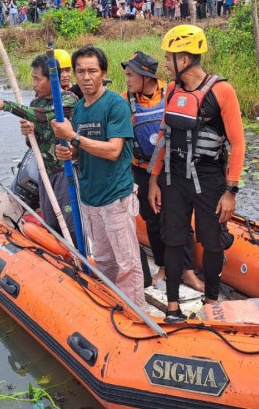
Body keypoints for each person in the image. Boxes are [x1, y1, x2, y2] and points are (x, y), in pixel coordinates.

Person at [148, 25, 245, 323]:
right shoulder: (173, 90)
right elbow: (165, 135)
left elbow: (238, 143)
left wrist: (231, 192)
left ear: (186, 58)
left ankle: (212, 302)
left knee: (213, 241)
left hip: (209, 178)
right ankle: (174, 307)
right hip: (175, 178)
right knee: (174, 239)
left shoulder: (222, 91)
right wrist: (154, 179)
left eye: (169, 57)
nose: (165, 62)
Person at [51, 46, 146, 309]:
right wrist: (67, 151)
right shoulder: (79, 109)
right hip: (90, 196)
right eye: (80, 71)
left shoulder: (116, 104)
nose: (86, 77)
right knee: (103, 259)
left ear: (103, 72)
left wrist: (74, 138)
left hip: (115, 196)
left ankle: (137, 312)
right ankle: (113, 306)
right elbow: (80, 152)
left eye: (92, 70)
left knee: (127, 262)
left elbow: (114, 150)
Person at [120, 51, 204, 291]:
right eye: (126, 74)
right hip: (143, 171)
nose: (126, 79)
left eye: (130, 74)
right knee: (153, 220)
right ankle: (164, 267)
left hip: (175, 169)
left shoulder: (172, 93)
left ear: (147, 76)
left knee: (181, 220)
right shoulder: (124, 100)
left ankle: (187, 271)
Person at [0, 55, 79, 244]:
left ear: (52, 79)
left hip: (66, 172)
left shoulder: (68, 100)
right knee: (50, 220)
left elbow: (44, 116)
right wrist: (28, 133)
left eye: (37, 79)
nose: (34, 84)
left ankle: (80, 259)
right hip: (45, 172)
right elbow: (33, 143)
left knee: (70, 223)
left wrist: (6, 105)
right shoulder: (36, 103)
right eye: (32, 78)